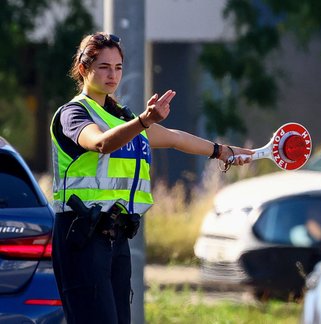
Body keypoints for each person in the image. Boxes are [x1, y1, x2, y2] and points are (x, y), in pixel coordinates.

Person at [49, 31, 254, 324]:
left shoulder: (121, 116)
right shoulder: (73, 113)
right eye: (104, 67)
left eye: (118, 67)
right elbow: (101, 143)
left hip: (116, 236)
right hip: (82, 236)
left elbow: (173, 138)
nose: (112, 75)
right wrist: (144, 121)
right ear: (83, 69)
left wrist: (223, 151)